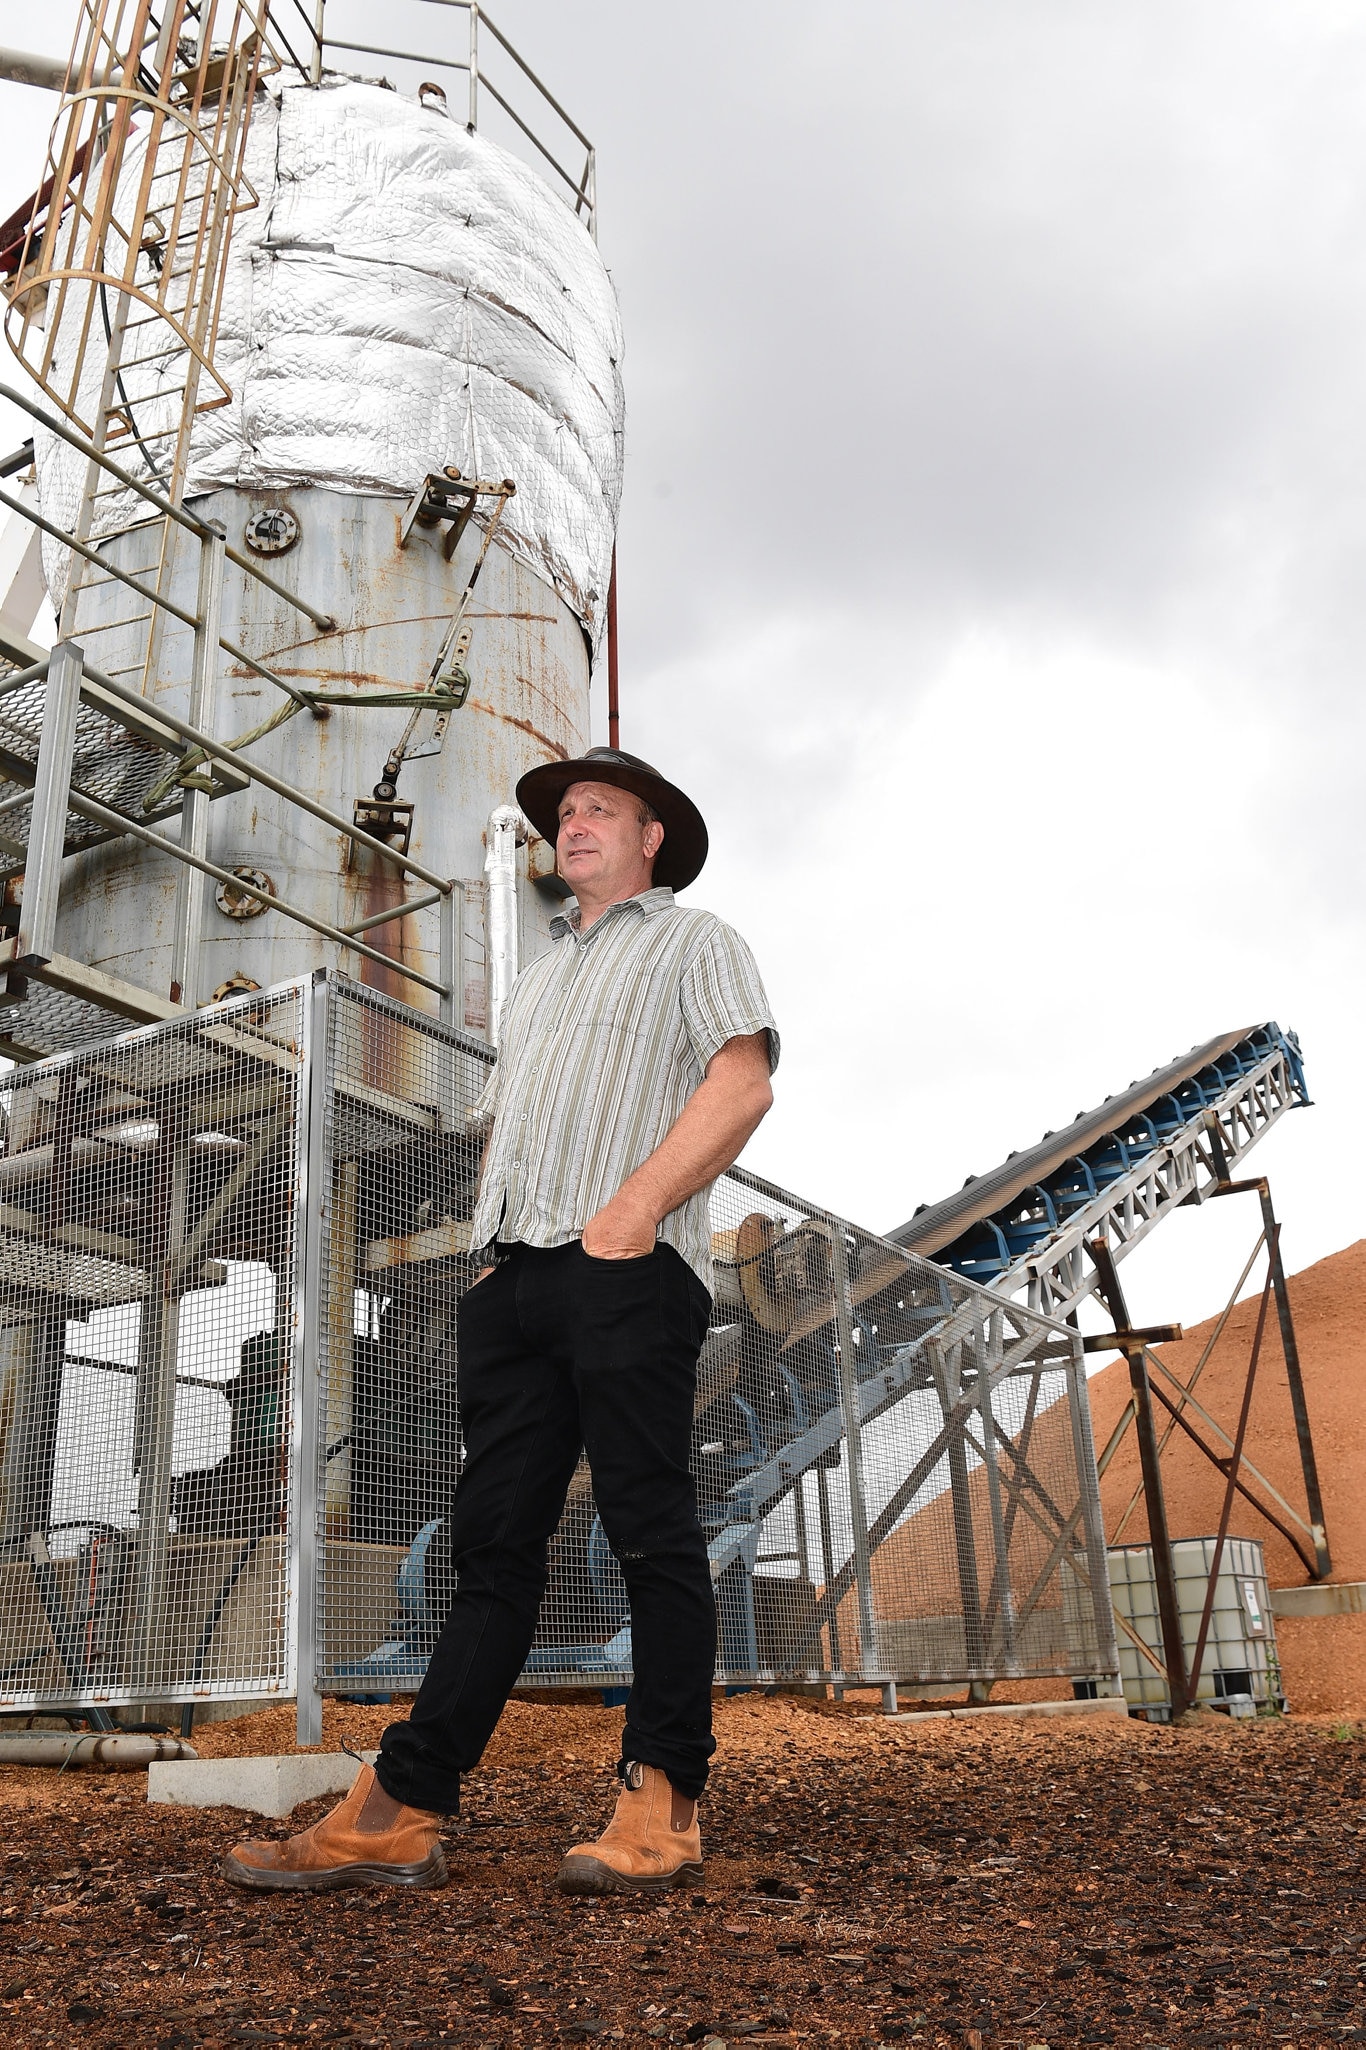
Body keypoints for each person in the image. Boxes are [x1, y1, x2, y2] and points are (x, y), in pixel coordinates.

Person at [224, 746, 778, 1896]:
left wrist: (629, 1212)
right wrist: (491, 1264)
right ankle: (402, 1805)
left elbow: (741, 1086)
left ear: (649, 837)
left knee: (647, 1527)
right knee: (491, 1551)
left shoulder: (697, 940)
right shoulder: (537, 980)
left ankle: (663, 1799)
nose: (572, 826)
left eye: (598, 812)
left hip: (627, 1265)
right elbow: (505, 1128)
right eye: (564, 813)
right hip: (516, 1278)